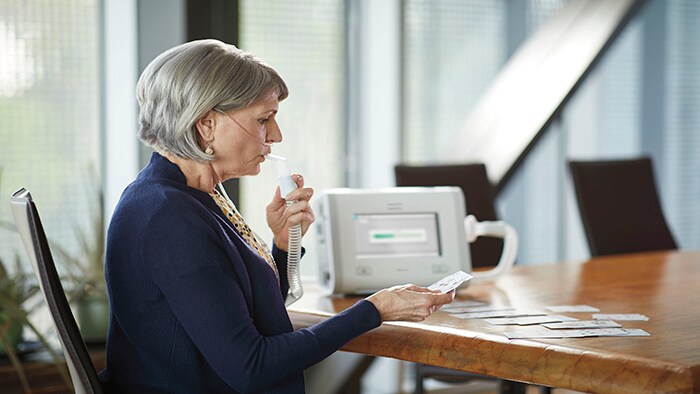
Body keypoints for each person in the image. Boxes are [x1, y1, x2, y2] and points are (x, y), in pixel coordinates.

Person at [99, 39, 454, 393]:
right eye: (263, 119)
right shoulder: (167, 216)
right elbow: (252, 365)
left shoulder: (197, 194)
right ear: (206, 124)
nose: (276, 136)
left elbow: (249, 317)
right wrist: (374, 310)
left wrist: (285, 245)